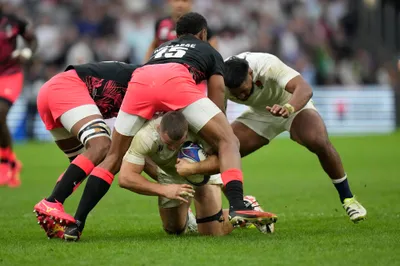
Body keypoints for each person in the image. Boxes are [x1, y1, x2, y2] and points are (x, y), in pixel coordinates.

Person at [61, 12, 272, 241]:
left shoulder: (159, 50)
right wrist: (217, 132)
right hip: (174, 82)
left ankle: (77, 223)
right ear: (203, 34)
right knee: (229, 140)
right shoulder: (208, 49)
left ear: (177, 34)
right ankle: (238, 205)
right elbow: (218, 92)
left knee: (112, 157)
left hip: (140, 81)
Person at [222, 52, 367, 223]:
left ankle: (348, 199)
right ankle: (243, 206)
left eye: (244, 91)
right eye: (236, 94)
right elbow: (218, 115)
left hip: (290, 104)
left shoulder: (267, 65)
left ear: (251, 74)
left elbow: (304, 88)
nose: (241, 96)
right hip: (259, 115)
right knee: (222, 152)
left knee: (318, 140)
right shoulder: (219, 81)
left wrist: (289, 108)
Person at [117, 111, 277, 238]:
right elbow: (125, 178)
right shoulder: (145, 137)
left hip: (201, 170)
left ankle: (247, 205)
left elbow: (223, 159)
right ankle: (187, 214)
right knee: (174, 229)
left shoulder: (201, 129)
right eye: (168, 144)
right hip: (169, 176)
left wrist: (193, 169)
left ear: (187, 132)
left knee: (212, 231)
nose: (173, 149)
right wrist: (164, 190)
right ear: (159, 130)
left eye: (177, 144)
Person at [32, 61, 139, 238]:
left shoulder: (143, 78)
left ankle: (54, 218)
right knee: (102, 146)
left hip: (51, 91)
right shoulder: (148, 84)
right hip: (67, 89)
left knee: (83, 162)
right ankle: (52, 202)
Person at [0, 5, 37, 187]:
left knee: (0, 112)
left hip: (10, 74)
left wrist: (27, 52)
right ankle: (12, 161)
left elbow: (32, 40)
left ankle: (5, 162)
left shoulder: (13, 22)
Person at [143, 0, 218, 63]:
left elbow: (213, 51)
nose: (180, 4)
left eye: (184, 1)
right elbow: (154, 45)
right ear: (169, 2)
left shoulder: (200, 26)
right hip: (161, 68)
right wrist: (145, 65)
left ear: (191, 2)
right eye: (176, 0)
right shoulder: (161, 23)